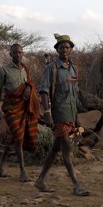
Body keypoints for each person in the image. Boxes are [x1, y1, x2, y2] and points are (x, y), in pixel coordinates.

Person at [35, 34, 90, 196]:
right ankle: (76, 185)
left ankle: (40, 180)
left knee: (55, 148)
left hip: (70, 114)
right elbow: (44, 91)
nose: (64, 50)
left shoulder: (74, 69)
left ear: (71, 49)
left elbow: (75, 93)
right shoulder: (51, 68)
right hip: (58, 113)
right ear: (57, 50)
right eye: (61, 47)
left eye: (67, 47)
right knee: (66, 147)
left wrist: (79, 115)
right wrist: (46, 112)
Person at [0, 43, 41, 182]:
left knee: (14, 137)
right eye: (15, 53)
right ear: (10, 54)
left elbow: (30, 84)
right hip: (11, 108)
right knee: (19, 138)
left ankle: (0, 165)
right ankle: (23, 172)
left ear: (22, 53)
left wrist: (28, 89)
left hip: (24, 107)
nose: (18, 55)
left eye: (20, 52)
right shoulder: (4, 70)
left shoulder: (26, 68)